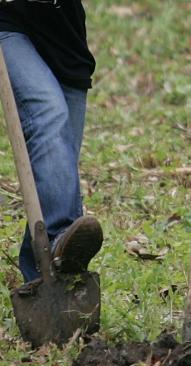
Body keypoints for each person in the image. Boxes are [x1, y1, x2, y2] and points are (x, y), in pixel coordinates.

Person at [0, 0, 103, 283]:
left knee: (58, 166)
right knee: (48, 113)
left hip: (64, 32)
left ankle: (41, 282)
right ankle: (57, 238)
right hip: (7, 21)